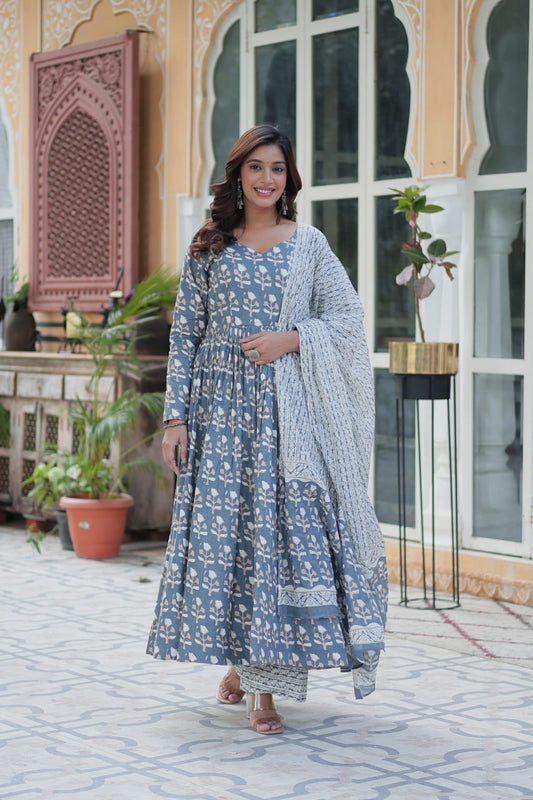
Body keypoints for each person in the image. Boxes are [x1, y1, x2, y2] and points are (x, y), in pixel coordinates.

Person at [147, 124, 387, 735]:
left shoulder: (307, 244)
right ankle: (243, 670)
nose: (266, 179)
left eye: (277, 168)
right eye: (255, 167)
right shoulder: (210, 247)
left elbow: (348, 318)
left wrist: (294, 338)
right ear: (238, 175)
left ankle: (263, 688)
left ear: (289, 177)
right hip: (219, 416)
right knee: (229, 540)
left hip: (287, 418)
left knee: (276, 539)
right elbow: (184, 338)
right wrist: (175, 419)